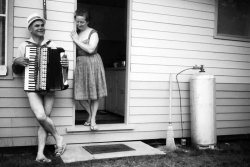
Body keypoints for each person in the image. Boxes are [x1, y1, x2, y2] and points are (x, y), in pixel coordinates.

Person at [12, 13, 68, 163]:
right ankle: (58, 137)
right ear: (30, 29)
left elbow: (62, 70)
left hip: (49, 88)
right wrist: (17, 62)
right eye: (37, 25)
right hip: (31, 87)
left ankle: (40, 154)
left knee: (43, 121)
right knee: (41, 116)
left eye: (42, 25)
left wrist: (65, 66)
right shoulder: (24, 46)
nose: (40, 27)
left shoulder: (52, 45)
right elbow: (17, 71)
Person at [71, 9, 107, 131]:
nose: (79, 24)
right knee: (80, 96)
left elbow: (91, 49)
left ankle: (92, 120)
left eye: (82, 22)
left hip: (93, 63)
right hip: (81, 65)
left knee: (94, 95)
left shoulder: (93, 33)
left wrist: (76, 40)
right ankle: (91, 115)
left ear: (88, 21)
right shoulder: (76, 32)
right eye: (77, 22)